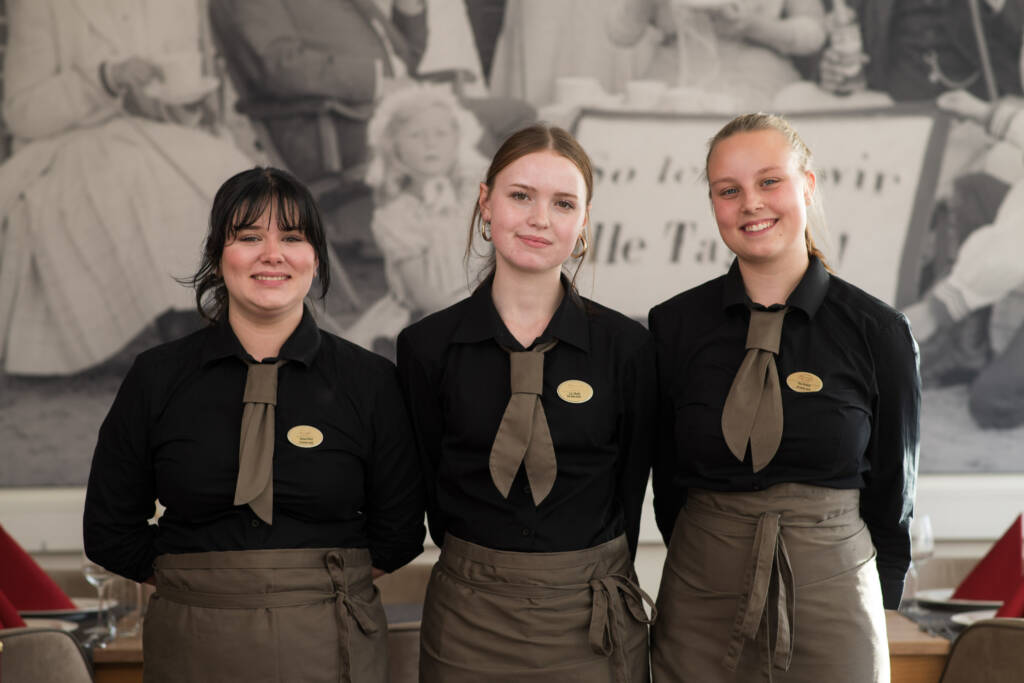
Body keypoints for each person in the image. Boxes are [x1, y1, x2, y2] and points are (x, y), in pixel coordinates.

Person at [83, 167, 426, 683]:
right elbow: (109, 530)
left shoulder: (372, 380)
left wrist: (310, 589)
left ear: (315, 258)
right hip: (192, 638)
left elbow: (399, 533)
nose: (273, 254)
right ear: (218, 257)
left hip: (332, 640)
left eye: (292, 237)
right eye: (248, 237)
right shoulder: (156, 377)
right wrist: (200, 584)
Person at [648, 113, 920, 681]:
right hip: (700, 598)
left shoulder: (878, 331)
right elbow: (666, 481)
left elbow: (894, 494)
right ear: (715, 204)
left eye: (769, 181)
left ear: (808, 185)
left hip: (835, 598)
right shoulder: (672, 327)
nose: (751, 203)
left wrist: (881, 596)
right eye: (729, 190)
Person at [396, 124, 656, 682]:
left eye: (563, 203)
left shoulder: (628, 348)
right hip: (468, 617)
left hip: (592, 617)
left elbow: (630, 488)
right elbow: (431, 486)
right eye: (520, 196)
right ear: (485, 203)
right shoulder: (426, 348)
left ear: (583, 222)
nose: (540, 218)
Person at [0, 0, 254, 376]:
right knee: (134, 180)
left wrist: (182, 105)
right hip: (68, 142)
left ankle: (223, 315)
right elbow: (23, 113)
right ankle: (179, 322)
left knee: (233, 172)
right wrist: (103, 79)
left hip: (160, 134)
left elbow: (177, 86)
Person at [344, 83, 488, 355]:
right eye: (416, 135)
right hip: (433, 314)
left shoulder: (475, 196)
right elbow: (423, 295)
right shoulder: (397, 217)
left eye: (440, 134)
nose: (430, 143)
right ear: (394, 149)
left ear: (457, 141)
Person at [605, 0, 827, 110]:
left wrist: (752, 26)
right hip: (672, 79)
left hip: (757, 81)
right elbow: (621, 34)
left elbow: (813, 34)